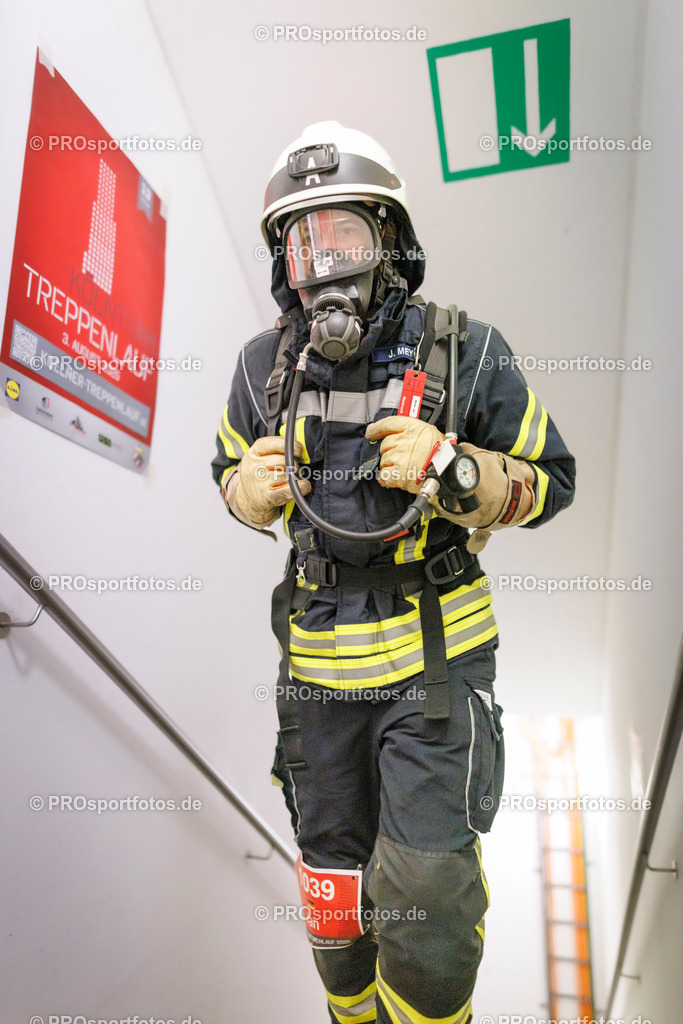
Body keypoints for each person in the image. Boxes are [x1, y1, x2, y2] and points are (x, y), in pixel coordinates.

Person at [212, 122, 575, 1024]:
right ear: (281, 264)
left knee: (427, 898)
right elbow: (222, 471)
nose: (323, 263)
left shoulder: (467, 351)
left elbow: (550, 482)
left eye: (343, 235)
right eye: (302, 243)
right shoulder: (261, 369)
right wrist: (244, 494)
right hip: (318, 675)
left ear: (392, 241)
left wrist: (453, 470)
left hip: (434, 664)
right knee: (332, 900)